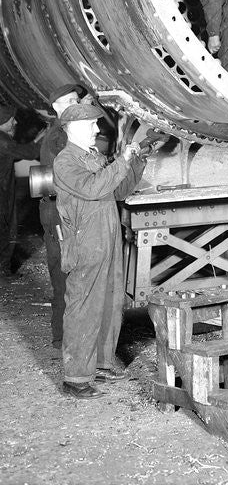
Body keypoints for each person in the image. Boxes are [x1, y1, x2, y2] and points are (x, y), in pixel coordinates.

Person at [53, 100, 147, 399]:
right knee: (84, 306)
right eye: (91, 124)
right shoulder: (65, 161)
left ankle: (101, 365)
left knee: (109, 300)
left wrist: (136, 159)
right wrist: (120, 162)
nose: (96, 129)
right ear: (74, 128)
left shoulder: (93, 157)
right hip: (85, 242)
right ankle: (76, 378)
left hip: (107, 237)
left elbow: (118, 190)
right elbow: (93, 189)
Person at [37, 83, 85, 351]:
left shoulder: (57, 132)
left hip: (56, 208)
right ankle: (64, 338)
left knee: (65, 271)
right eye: (70, 101)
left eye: (77, 100)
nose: (76, 105)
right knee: (65, 273)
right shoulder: (59, 135)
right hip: (59, 211)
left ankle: (66, 336)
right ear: (56, 107)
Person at [0, 102, 42, 277]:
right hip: (2, 193)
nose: (15, 123)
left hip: (4, 189)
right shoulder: (2, 140)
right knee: (5, 229)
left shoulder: (4, 139)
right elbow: (29, 152)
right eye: (12, 120)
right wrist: (42, 137)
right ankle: (2, 271)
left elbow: (13, 156)